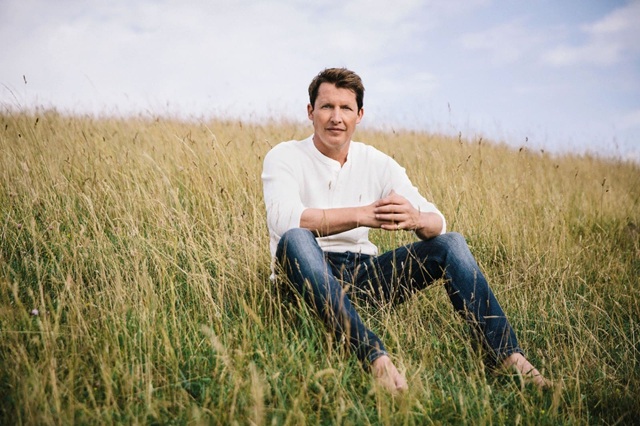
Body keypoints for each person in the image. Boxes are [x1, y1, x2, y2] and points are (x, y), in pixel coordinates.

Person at [261, 67, 548, 393]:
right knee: (297, 237)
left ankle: (507, 357)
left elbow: (438, 222)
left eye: (346, 108)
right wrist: (362, 215)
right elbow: (286, 220)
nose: (336, 117)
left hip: (363, 276)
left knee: (451, 243)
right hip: (303, 278)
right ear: (311, 111)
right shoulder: (284, 156)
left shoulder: (377, 163)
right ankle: (374, 358)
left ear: (359, 115)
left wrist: (415, 218)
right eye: (327, 106)